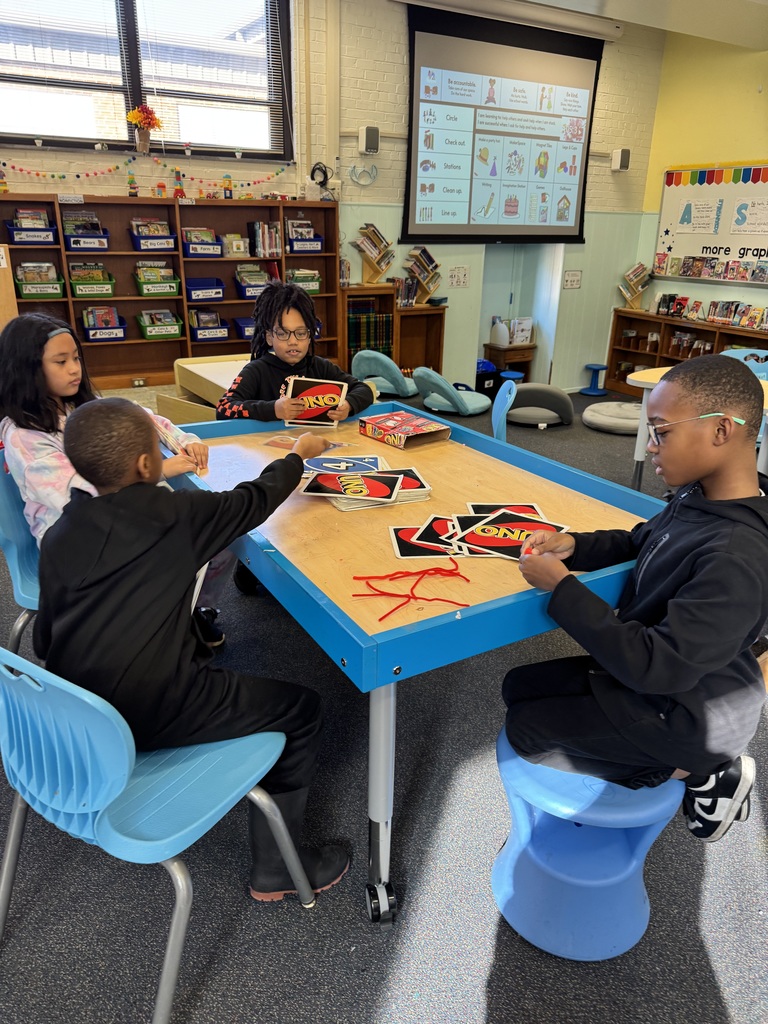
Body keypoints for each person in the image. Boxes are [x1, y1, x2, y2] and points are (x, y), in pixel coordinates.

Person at [33, 397, 350, 901]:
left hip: (79, 721)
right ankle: (278, 868)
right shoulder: (177, 514)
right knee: (303, 708)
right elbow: (256, 498)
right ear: (146, 464)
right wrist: (298, 453)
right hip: (151, 714)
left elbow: (44, 641)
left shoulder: (59, 534)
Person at [504, 354, 767, 843]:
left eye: (662, 432)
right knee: (517, 686)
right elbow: (643, 539)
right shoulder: (698, 495)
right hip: (662, 682)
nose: (651, 445)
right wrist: (575, 546)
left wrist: (562, 588)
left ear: (721, 431)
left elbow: (657, 667)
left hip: (692, 714)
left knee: (526, 732)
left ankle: (701, 773)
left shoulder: (737, 556)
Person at [0, 313, 227, 646]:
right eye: (61, 362)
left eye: (76, 358)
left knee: (218, 538)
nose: (75, 369)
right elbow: (77, 497)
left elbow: (144, 417)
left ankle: (190, 612)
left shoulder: (82, 404)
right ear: (27, 369)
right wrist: (158, 472)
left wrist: (185, 440)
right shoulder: (23, 436)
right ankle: (170, 626)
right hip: (75, 534)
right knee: (186, 542)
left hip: (123, 515)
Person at [216, 280, 374, 593]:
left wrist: (348, 405)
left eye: (301, 332)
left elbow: (363, 389)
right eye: (283, 332)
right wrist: (271, 408)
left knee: (313, 518)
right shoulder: (257, 371)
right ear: (267, 335)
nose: (293, 342)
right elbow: (224, 409)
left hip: (316, 461)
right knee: (272, 517)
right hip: (268, 466)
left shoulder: (321, 367)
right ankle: (250, 567)